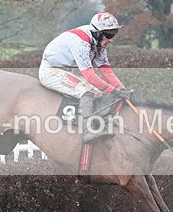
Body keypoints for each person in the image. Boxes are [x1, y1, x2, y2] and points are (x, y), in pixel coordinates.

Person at [39, 12, 132, 142]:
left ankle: (102, 122)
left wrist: (122, 89)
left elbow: (106, 71)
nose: (111, 39)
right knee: (87, 93)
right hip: (50, 71)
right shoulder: (81, 41)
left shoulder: (99, 43)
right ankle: (88, 131)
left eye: (113, 34)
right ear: (98, 33)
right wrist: (114, 90)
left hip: (66, 70)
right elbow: (89, 76)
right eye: (109, 35)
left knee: (99, 94)